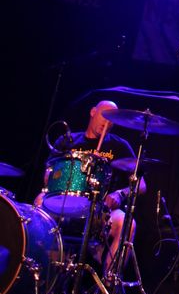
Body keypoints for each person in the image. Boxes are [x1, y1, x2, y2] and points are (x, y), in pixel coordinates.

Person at [37, 99, 146, 270]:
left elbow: (142, 185)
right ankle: (41, 269)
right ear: (93, 112)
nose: (107, 122)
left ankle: (109, 280)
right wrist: (52, 181)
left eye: (112, 119)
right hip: (65, 201)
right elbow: (48, 174)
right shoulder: (68, 141)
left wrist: (120, 194)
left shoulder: (119, 146)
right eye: (104, 115)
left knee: (127, 223)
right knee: (39, 201)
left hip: (102, 211)